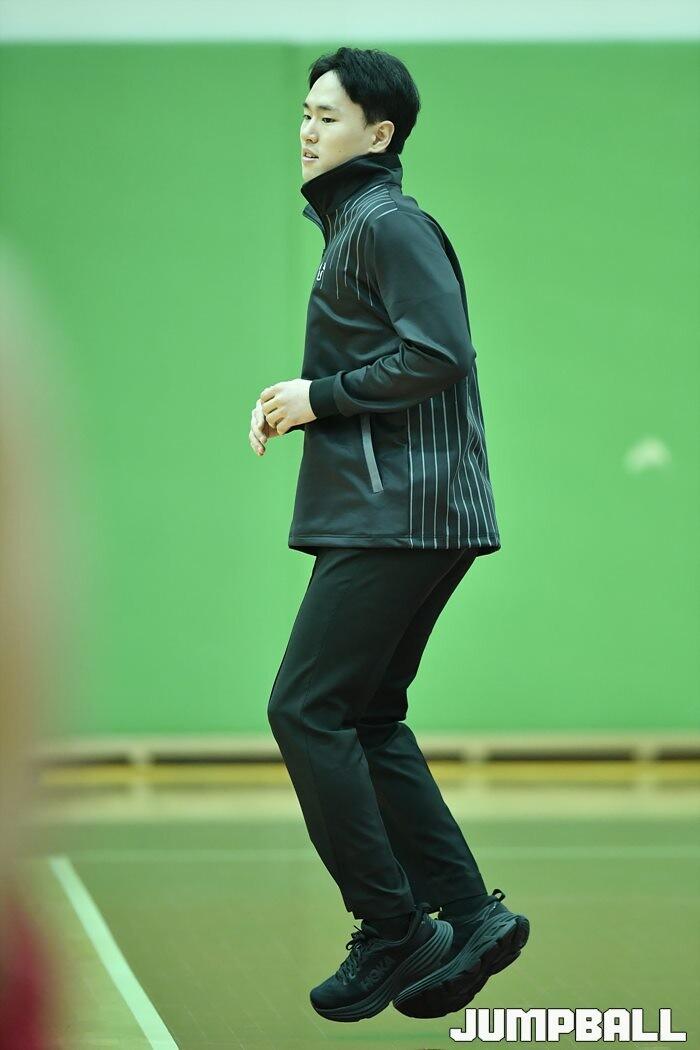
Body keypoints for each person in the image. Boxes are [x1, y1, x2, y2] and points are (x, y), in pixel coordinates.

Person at [249, 46, 529, 1023]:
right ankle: (471, 916)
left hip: (399, 513)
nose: (307, 128)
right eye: (304, 112)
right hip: (406, 510)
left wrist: (318, 397)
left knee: (306, 709)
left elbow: (440, 352)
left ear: (380, 134)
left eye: (327, 116)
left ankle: (392, 924)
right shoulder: (356, 228)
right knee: (364, 717)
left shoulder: (386, 223)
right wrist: (304, 401)